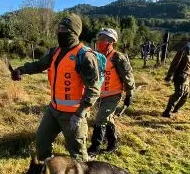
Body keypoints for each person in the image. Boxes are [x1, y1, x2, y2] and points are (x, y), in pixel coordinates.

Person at [11, 13, 100, 161]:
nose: (60, 31)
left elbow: (94, 89)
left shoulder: (85, 56)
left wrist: (80, 113)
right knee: (41, 142)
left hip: (73, 115)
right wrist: (21, 70)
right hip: (53, 109)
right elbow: (39, 65)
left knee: (78, 155)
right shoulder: (55, 51)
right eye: (59, 28)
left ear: (74, 32)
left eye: (64, 28)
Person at [87, 28, 135, 157]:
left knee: (100, 119)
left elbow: (128, 76)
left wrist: (130, 94)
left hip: (113, 95)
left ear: (111, 42)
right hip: (100, 95)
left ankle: (94, 148)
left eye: (103, 39)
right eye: (99, 39)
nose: (99, 42)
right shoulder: (96, 56)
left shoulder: (118, 57)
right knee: (108, 119)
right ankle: (113, 144)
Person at [162, 37, 190, 118]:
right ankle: (167, 111)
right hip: (180, 76)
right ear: (188, 42)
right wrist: (169, 75)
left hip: (186, 77)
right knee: (179, 94)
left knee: (186, 95)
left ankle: (176, 110)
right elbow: (174, 63)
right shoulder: (182, 51)